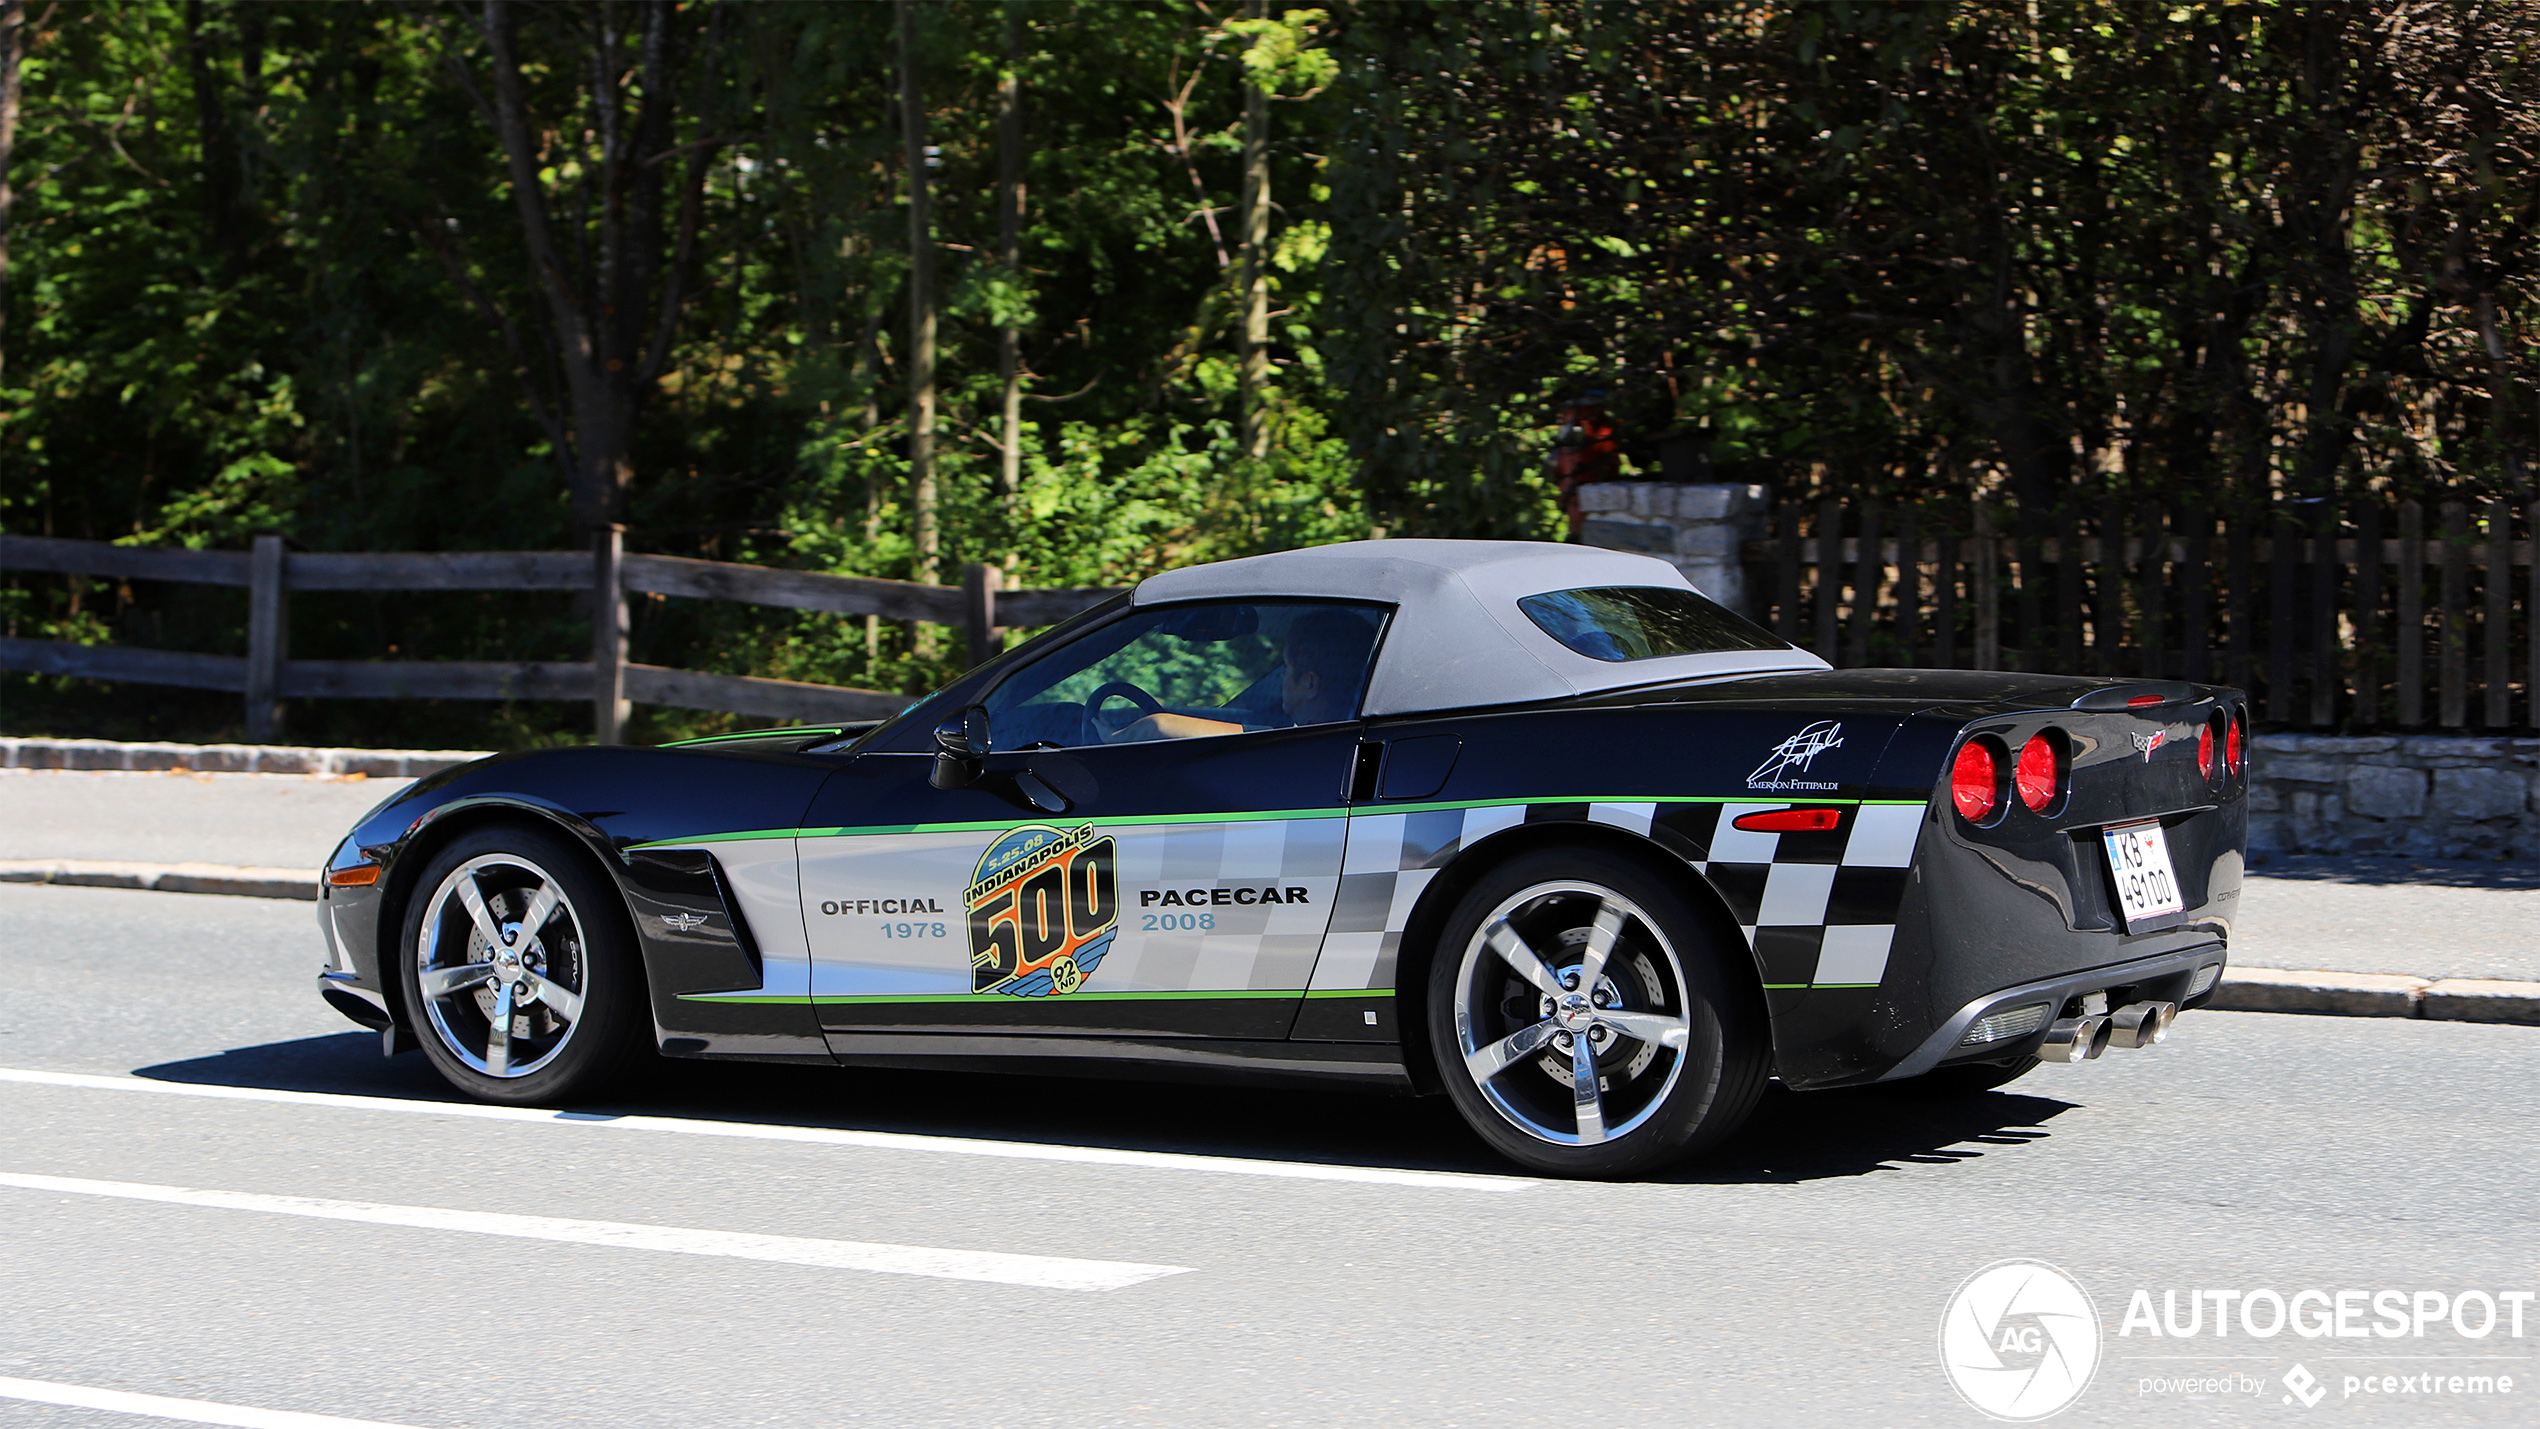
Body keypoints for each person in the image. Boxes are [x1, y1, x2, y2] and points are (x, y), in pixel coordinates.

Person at [1108, 607, 1372, 742]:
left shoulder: (1309, 747)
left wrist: (1110, 740)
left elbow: (1158, 727)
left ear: (1310, 684)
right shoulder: (1341, 739)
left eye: (1287, 668)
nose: (1281, 678)